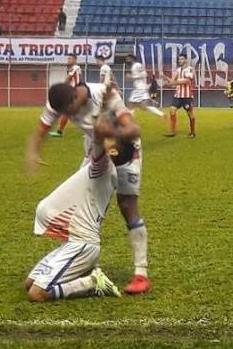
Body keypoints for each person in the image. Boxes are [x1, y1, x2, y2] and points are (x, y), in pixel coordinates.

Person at [27, 82, 151, 295]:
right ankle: (80, 262)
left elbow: (134, 129)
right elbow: (41, 129)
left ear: (75, 98)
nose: (66, 116)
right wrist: (34, 153)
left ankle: (141, 273)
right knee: (83, 200)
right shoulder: (58, 101)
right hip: (95, 147)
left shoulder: (105, 94)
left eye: (68, 111)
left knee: (127, 204)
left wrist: (110, 132)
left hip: (126, 149)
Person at [24, 118, 125, 302]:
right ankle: (85, 272)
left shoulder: (102, 167)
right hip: (73, 242)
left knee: (36, 294)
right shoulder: (94, 166)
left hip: (82, 244)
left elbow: (98, 140)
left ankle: (92, 283)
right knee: (29, 283)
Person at [164, 53, 196, 138]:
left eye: (181, 59)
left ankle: (192, 132)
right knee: (172, 110)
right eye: (179, 59)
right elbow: (172, 81)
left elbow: (186, 81)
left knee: (190, 114)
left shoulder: (190, 70)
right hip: (178, 95)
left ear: (186, 60)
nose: (180, 61)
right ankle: (173, 131)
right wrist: (166, 79)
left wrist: (173, 82)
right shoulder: (178, 70)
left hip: (187, 96)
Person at [48, 54, 81, 138]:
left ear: (75, 60)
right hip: (75, 91)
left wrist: (62, 88)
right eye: (68, 59)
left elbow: (68, 79)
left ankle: (59, 132)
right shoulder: (75, 68)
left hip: (74, 92)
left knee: (66, 111)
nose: (69, 60)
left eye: (70, 59)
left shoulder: (75, 67)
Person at [125, 54, 164, 118]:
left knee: (131, 104)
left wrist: (132, 77)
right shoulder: (134, 66)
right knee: (144, 106)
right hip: (140, 87)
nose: (126, 61)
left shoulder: (137, 65)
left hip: (140, 88)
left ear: (132, 59)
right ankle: (161, 114)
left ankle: (128, 120)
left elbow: (145, 74)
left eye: (127, 59)